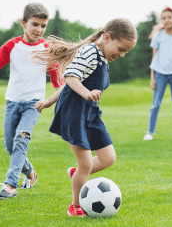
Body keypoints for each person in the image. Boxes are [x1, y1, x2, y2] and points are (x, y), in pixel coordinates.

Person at [32, 18, 137, 216]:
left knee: (108, 158)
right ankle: (75, 205)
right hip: (74, 113)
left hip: (90, 113)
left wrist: (49, 100)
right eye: (121, 48)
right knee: (86, 164)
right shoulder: (90, 51)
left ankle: (76, 174)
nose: (122, 54)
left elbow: (67, 83)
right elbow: (70, 77)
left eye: (126, 52)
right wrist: (85, 93)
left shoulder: (103, 57)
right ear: (107, 37)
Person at [0, 3, 64, 199]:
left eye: (43, 26)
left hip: (34, 104)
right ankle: (30, 173)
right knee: (11, 145)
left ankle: (10, 185)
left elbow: (58, 80)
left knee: (21, 138)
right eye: (35, 25)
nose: (39, 30)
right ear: (23, 23)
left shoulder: (47, 49)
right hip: (12, 102)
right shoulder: (12, 46)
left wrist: (58, 99)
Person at [143, 7, 172, 142]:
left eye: (169, 17)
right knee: (155, 104)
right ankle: (150, 133)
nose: (167, 20)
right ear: (161, 21)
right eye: (164, 18)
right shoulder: (158, 36)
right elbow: (154, 57)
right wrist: (152, 78)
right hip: (160, 74)